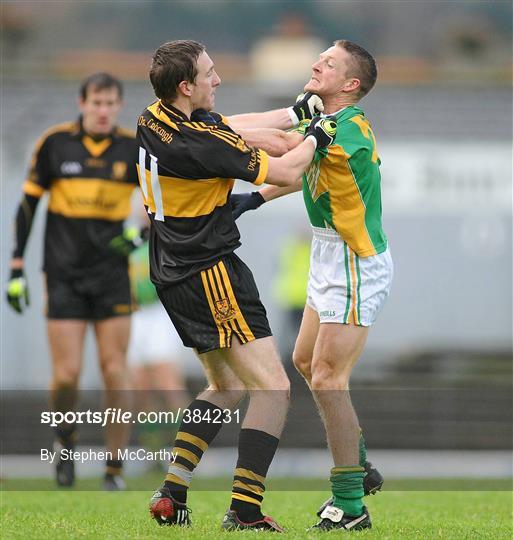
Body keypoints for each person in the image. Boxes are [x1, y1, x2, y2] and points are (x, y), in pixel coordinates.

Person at [137, 39, 337, 531]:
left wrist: (293, 116)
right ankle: (245, 509)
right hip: (210, 273)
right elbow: (287, 168)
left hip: (171, 268)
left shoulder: (154, 117)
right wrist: (320, 137)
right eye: (209, 73)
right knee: (273, 388)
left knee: (225, 386)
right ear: (186, 87)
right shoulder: (203, 146)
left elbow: (231, 125)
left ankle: (172, 490)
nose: (218, 79)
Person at [232, 40, 393, 531]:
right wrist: (253, 200)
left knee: (326, 378)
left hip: (355, 260)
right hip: (328, 254)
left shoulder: (350, 129)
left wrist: (204, 136)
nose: (315, 64)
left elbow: (290, 158)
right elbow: (300, 169)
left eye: (328, 62)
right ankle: (359, 464)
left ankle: (350, 504)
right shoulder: (324, 125)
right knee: (304, 361)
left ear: (351, 85)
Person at [5, 73, 142, 490]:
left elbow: (160, 203)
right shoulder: (54, 144)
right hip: (62, 273)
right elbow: (27, 206)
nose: (103, 111)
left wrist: (141, 233)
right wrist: (15, 267)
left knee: (115, 371)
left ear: (119, 106)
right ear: (81, 103)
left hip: (112, 273)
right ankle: (65, 445)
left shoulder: (131, 149)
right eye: (96, 102)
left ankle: (114, 469)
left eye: (110, 103)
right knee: (66, 376)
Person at [128, 239, 190, 462]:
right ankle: (153, 454)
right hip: (134, 313)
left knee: (168, 384)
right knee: (140, 388)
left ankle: (187, 452)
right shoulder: (128, 239)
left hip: (161, 311)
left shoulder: (165, 235)